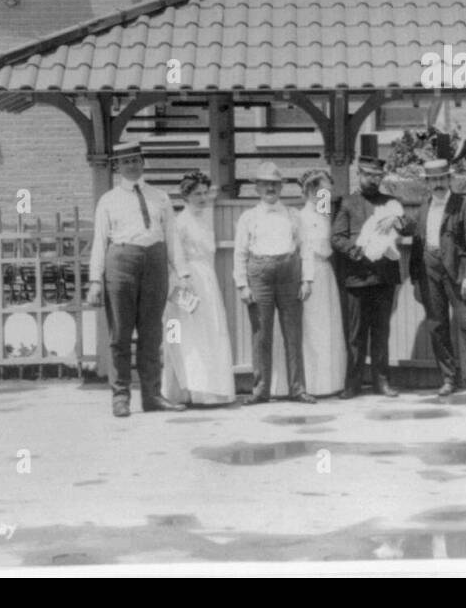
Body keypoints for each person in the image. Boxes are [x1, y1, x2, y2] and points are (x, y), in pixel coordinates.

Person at [87, 141, 187, 417]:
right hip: (121, 262)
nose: (132, 165)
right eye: (126, 161)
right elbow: (99, 241)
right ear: (118, 166)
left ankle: (152, 396)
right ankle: (120, 397)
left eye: (136, 159)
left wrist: (183, 272)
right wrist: (95, 280)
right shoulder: (108, 200)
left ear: (144, 162)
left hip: (155, 261)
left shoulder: (161, 197)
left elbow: (172, 237)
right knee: (120, 333)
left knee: (152, 332)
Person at [405, 158, 466, 399]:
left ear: (449, 179)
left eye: (442, 178)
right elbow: (417, 239)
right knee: (437, 326)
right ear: (427, 183)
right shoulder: (424, 207)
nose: (438, 183)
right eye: (433, 180)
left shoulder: (464, 206)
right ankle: (449, 378)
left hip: (459, 276)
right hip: (429, 274)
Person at [233, 161, 317, 405]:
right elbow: (240, 253)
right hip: (259, 275)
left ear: (281, 187)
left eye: (275, 184)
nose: (270, 188)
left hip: (289, 274)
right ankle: (260, 390)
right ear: (257, 187)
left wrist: (307, 279)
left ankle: (297, 389)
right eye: (265, 184)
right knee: (262, 334)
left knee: (293, 333)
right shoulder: (248, 217)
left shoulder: (293, 215)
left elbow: (306, 248)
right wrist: (242, 285)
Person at [271, 168, 349, 398]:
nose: (327, 195)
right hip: (308, 274)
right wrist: (304, 278)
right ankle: (307, 383)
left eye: (328, 191)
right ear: (312, 192)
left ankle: (328, 383)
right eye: (323, 191)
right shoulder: (298, 217)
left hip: (326, 274)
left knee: (327, 327)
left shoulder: (325, 214)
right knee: (311, 329)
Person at [332, 148, 403, 398]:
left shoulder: (390, 203)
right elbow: (337, 238)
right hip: (357, 277)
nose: (374, 180)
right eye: (369, 175)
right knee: (356, 334)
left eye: (378, 176)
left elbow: (410, 228)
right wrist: (357, 252)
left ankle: (381, 382)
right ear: (358, 173)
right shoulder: (346, 202)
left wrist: (398, 221)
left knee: (381, 332)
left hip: (384, 277)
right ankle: (353, 383)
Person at [162, 170, 235, 406]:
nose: (202, 198)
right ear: (186, 195)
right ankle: (183, 389)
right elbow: (174, 255)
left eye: (205, 193)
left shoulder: (204, 220)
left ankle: (209, 390)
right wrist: (183, 283)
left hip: (207, 281)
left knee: (208, 332)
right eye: (197, 194)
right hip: (186, 282)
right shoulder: (179, 222)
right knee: (185, 335)